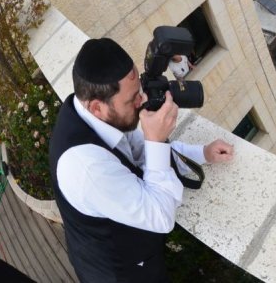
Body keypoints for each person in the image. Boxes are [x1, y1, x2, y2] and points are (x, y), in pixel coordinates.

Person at [49, 38, 234, 282]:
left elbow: (143, 154)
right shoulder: (87, 169)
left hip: (128, 250)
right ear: (96, 108)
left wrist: (202, 153)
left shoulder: (101, 112)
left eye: (139, 91)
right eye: (132, 99)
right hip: (120, 274)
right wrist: (157, 139)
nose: (142, 101)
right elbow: (161, 215)